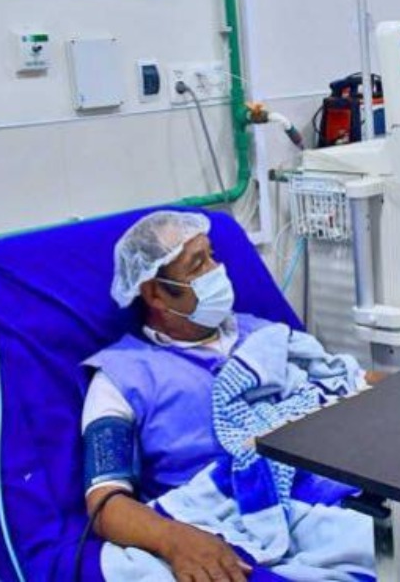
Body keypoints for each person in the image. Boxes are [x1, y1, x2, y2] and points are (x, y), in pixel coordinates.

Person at [81, 211, 379, 582]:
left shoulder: (264, 334)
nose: (216, 270)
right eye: (197, 265)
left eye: (212, 255)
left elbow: (350, 380)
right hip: (234, 509)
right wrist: (176, 541)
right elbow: (105, 503)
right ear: (155, 292)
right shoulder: (123, 377)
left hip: (340, 477)